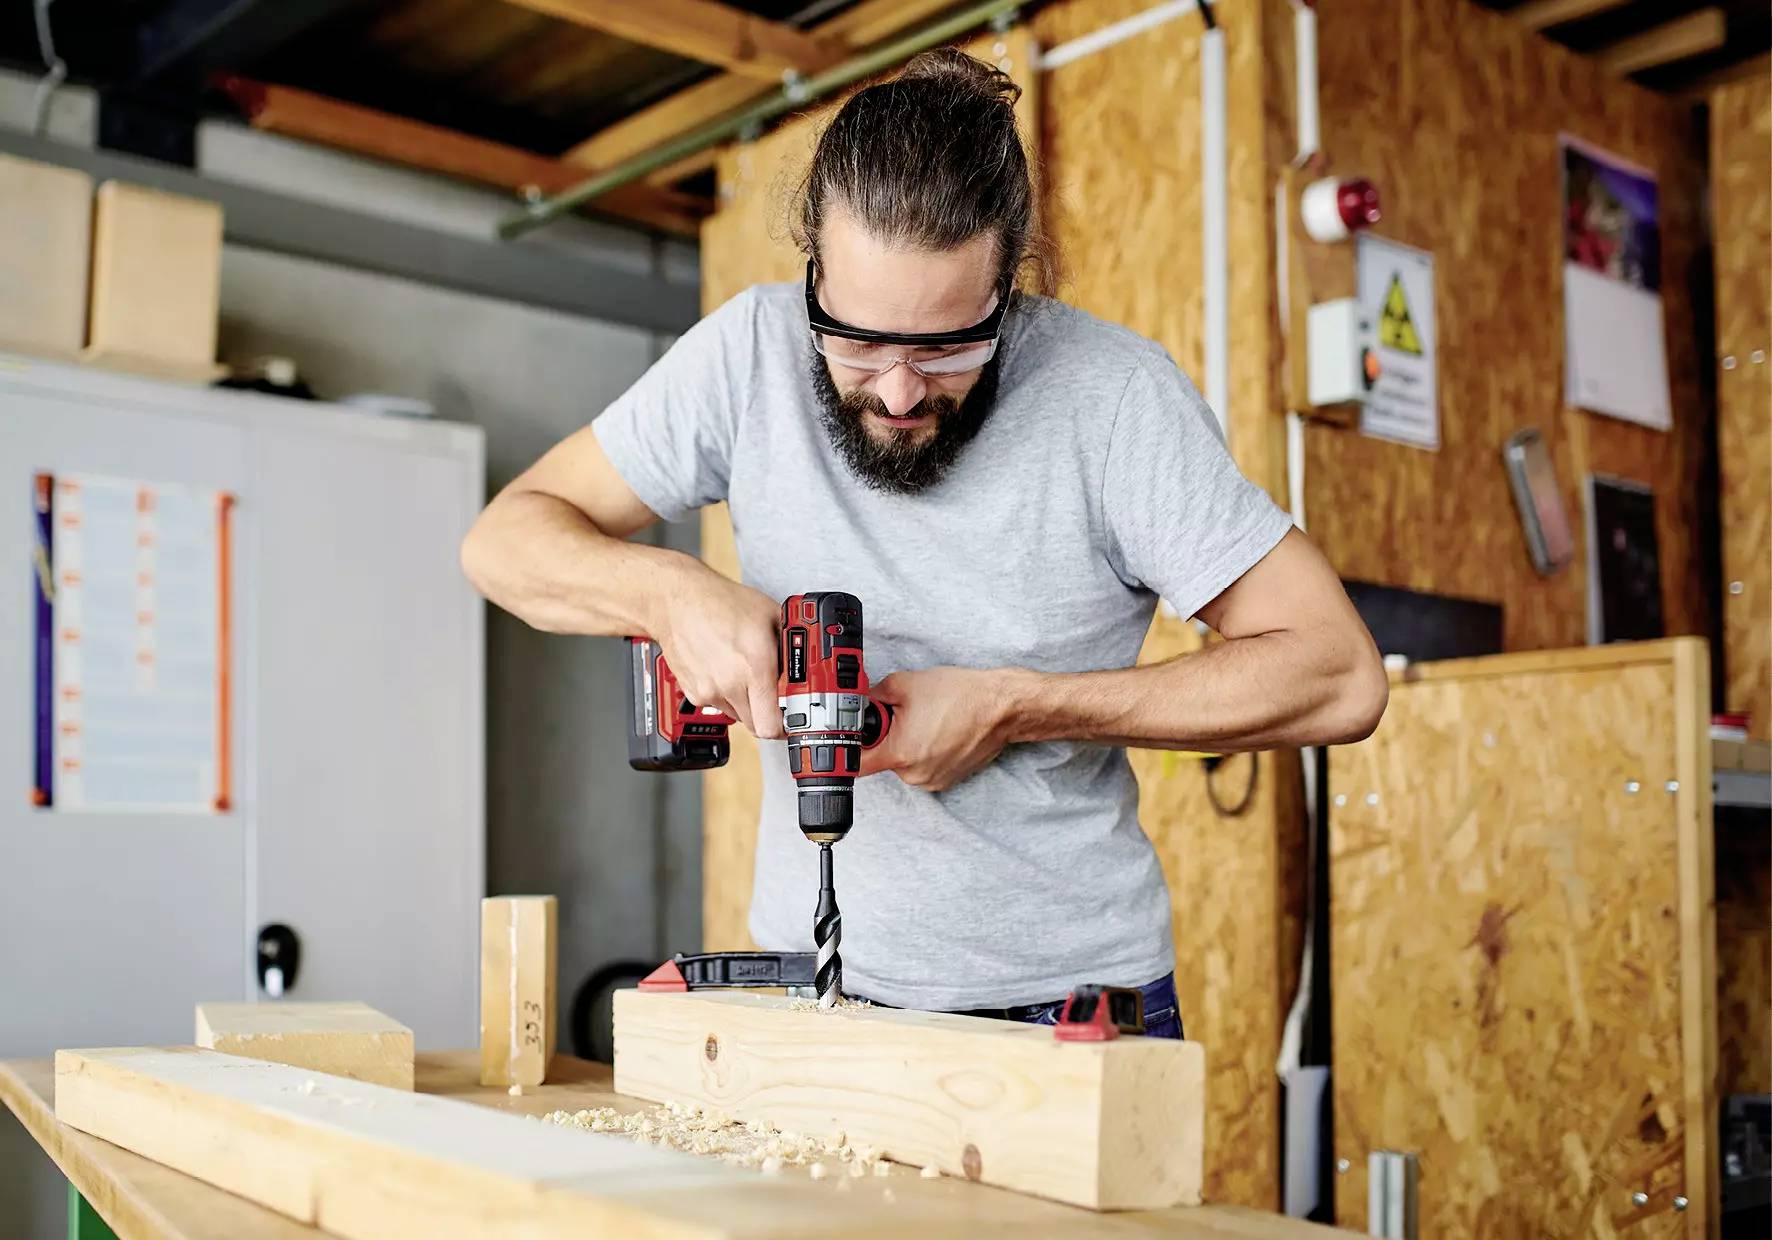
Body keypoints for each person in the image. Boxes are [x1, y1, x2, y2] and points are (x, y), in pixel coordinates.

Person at [461, 49, 1387, 1037]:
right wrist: (667, 591)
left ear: (1011, 279)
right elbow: (503, 541)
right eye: (856, 341)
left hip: (1059, 1009)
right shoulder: (745, 356)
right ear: (811, 264)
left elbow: (1337, 674)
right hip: (809, 986)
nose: (899, 393)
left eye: (947, 346)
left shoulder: (1111, 399)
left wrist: (1017, 705)